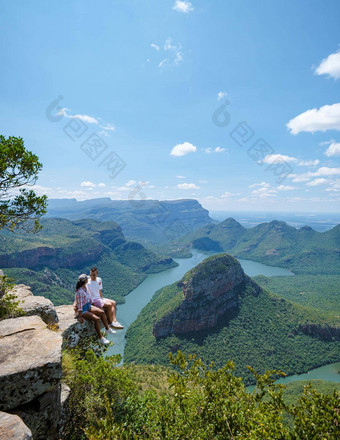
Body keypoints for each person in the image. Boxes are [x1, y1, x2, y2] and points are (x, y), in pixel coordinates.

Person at [74, 273, 116, 345]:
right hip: (83, 310)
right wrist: (80, 316)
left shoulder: (85, 288)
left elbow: (88, 298)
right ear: (85, 281)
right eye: (87, 279)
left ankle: (107, 329)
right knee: (96, 319)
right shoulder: (79, 292)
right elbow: (80, 305)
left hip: (88, 305)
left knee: (102, 312)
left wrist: (93, 304)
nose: (88, 279)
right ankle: (101, 338)